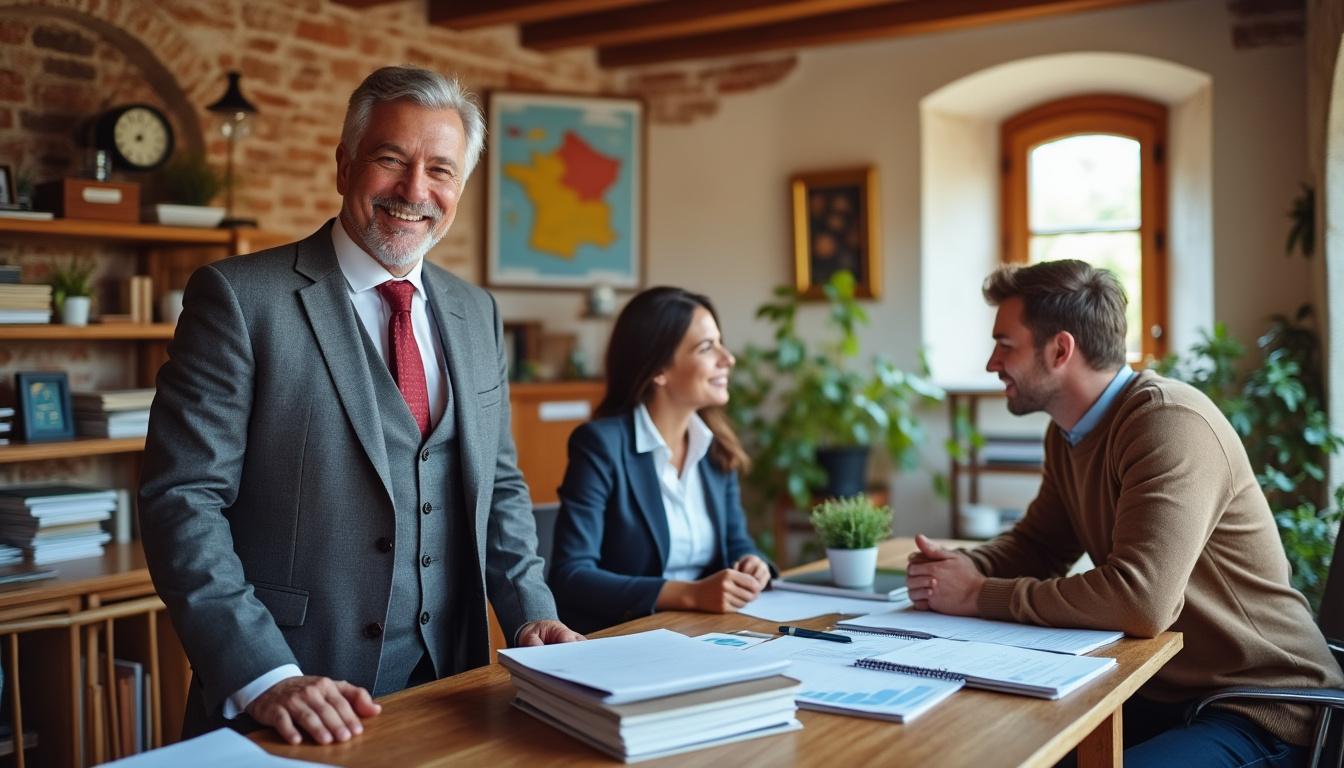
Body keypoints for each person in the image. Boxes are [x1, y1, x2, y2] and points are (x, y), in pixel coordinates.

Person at [138, 66, 582, 746]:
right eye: (390, 160)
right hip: (294, 694)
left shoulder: (476, 311)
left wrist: (530, 614)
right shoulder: (238, 299)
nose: (414, 191)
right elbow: (183, 498)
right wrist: (264, 674)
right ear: (345, 164)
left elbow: (498, 483)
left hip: (453, 689)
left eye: (440, 169)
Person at [906, 259, 1343, 765]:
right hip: (1162, 692)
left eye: (1005, 345)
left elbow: (1140, 600)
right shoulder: (1070, 433)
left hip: (1261, 708)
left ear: (1060, 349)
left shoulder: (1167, 421)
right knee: (993, 745)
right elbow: (1041, 545)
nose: (991, 363)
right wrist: (958, 572)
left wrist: (979, 595)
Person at [548, 287, 773, 634]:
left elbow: (736, 542)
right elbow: (571, 575)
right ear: (659, 370)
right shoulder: (601, 446)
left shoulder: (715, 448)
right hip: (627, 638)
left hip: (708, 632)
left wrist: (752, 564)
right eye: (706, 347)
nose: (727, 358)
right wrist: (690, 594)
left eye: (720, 342)